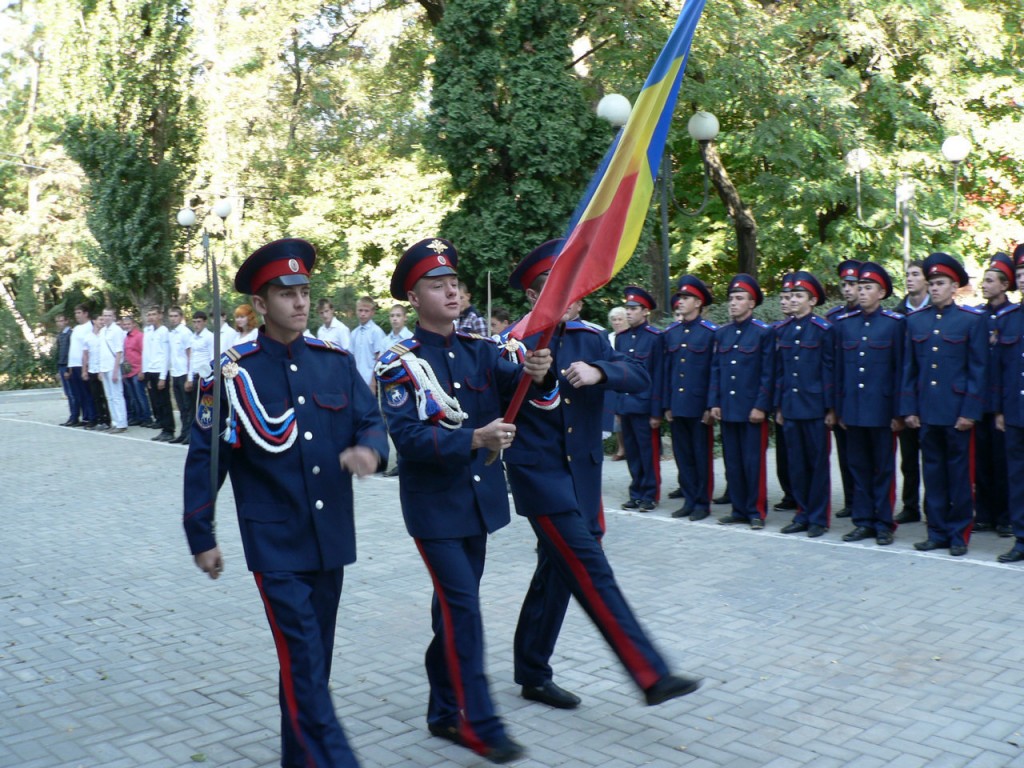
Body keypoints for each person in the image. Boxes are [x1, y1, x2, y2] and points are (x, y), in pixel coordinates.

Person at [184, 238, 387, 768]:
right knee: (303, 656)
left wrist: (370, 450)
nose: (299, 302)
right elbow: (206, 459)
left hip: (330, 539)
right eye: (285, 293)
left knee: (309, 665)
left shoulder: (335, 363)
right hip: (274, 540)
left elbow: (370, 419)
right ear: (260, 303)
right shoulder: (232, 374)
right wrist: (201, 536)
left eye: (304, 291)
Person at [502, 240, 703, 714]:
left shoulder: (592, 337)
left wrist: (598, 371)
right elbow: (504, 398)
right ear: (534, 298)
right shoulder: (514, 341)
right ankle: (650, 672)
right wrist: (539, 375)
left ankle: (531, 670)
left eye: (573, 285)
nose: (572, 294)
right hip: (541, 478)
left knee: (557, 572)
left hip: (583, 476)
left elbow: (638, 376)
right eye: (556, 288)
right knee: (590, 568)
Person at [374, 237, 547, 764]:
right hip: (435, 509)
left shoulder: (481, 351)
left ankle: (443, 711)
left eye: (453, 282)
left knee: (451, 612)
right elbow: (407, 440)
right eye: (436, 283)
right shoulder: (398, 362)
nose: (450, 289)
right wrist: (474, 438)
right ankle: (482, 723)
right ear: (412, 296)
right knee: (464, 611)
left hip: (479, 504)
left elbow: (524, 391)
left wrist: (538, 370)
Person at [900, 252, 987, 557]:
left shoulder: (970, 321)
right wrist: (909, 409)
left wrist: (969, 412)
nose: (934, 288)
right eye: (932, 283)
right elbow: (908, 370)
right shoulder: (915, 322)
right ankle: (936, 532)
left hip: (956, 413)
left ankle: (959, 534)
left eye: (941, 283)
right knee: (932, 475)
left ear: (954, 287)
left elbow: (978, 371)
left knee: (959, 476)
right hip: (927, 412)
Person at [833, 262, 904, 545]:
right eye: (859, 288)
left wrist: (899, 412)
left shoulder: (895, 325)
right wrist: (839, 409)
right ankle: (863, 521)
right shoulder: (845, 326)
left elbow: (901, 370)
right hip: (854, 410)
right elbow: (839, 372)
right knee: (859, 468)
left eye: (868, 288)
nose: (861, 293)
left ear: (882, 292)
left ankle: (884, 522)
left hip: (882, 411)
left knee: (883, 469)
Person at [710, 274, 774, 529]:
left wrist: (761, 405)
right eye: (731, 299)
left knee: (753, 463)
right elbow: (716, 370)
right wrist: (714, 402)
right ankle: (738, 508)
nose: (733, 303)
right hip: (728, 408)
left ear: (751, 303)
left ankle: (756, 511)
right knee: (733, 461)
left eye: (739, 299)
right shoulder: (722, 333)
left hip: (751, 410)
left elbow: (768, 373)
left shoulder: (762, 333)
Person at [774, 271, 834, 538]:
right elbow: (780, 372)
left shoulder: (823, 329)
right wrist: (778, 406)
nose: (794, 300)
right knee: (796, 465)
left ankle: (819, 518)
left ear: (812, 300)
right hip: (791, 406)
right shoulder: (783, 330)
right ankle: (803, 513)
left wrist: (831, 408)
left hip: (815, 408)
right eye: (792, 295)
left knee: (817, 465)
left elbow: (829, 371)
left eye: (800, 296)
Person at [662, 276, 717, 521]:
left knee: (700, 456)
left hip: (698, 406)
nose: (680, 302)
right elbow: (667, 372)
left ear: (698, 302)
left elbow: (714, 371)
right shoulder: (671, 333)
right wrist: (666, 404)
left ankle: (702, 503)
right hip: (678, 404)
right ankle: (689, 500)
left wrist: (710, 404)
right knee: (683, 455)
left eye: (685, 298)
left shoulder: (709, 333)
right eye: (680, 298)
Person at [973, 253, 1014, 536]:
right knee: (982, 462)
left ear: (1004, 285)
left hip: (1003, 402)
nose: (984, 285)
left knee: (1004, 463)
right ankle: (984, 514)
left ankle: (1005, 516)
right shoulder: (977, 316)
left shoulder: (1012, 316)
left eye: (990, 281)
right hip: (980, 400)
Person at [615, 287, 663, 511]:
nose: (629, 312)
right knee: (632, 453)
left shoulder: (655, 338)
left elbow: (657, 376)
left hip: (644, 406)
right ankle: (636, 492)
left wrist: (656, 411)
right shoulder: (622, 339)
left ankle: (650, 494)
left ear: (645, 311)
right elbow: (618, 372)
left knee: (648, 453)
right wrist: (617, 404)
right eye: (627, 308)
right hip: (626, 404)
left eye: (633, 309)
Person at [993, 243, 1024, 562]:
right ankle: (1021, 538)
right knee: (1017, 479)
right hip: (1015, 412)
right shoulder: (1008, 318)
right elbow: (998, 371)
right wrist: (1000, 409)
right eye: (1020, 273)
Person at [893, 259, 929, 524]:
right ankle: (910, 505)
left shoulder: (936, 312)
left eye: (915, 274)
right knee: (908, 459)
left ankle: (933, 507)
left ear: (927, 280)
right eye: (907, 275)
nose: (909, 279)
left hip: (930, 398)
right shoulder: (896, 314)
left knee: (932, 459)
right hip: (905, 397)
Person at [825, 260, 861, 519]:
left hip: (864, 399)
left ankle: (863, 501)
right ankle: (850, 500)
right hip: (842, 395)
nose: (847, 289)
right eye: (845, 285)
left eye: (853, 284)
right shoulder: (833, 318)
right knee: (846, 454)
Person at [143, 306, 175, 442]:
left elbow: (166, 355)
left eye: (154, 314)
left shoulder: (164, 331)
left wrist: (163, 377)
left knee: (164, 402)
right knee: (156, 402)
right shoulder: (148, 331)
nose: (151, 317)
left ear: (160, 316)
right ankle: (162, 427)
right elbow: (146, 353)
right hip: (151, 370)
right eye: (149, 314)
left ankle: (169, 430)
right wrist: (146, 374)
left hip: (160, 371)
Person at [97, 308, 129, 433]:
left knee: (117, 396)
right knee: (109, 396)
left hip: (113, 367)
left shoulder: (116, 331)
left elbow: (119, 351)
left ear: (114, 317)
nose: (106, 317)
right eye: (104, 315)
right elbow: (100, 352)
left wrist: (116, 370)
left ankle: (122, 422)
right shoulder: (102, 331)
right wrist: (100, 370)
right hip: (104, 367)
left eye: (109, 315)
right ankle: (114, 421)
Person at [67, 303, 97, 428]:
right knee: (78, 394)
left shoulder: (90, 327)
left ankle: (92, 417)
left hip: (82, 365)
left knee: (87, 393)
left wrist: (86, 367)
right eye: (75, 313)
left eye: (79, 313)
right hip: (73, 365)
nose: (77, 315)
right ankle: (84, 417)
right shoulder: (76, 328)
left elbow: (89, 348)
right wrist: (69, 368)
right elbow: (73, 348)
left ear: (86, 313)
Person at [167, 306, 194, 444]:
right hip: (175, 373)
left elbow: (190, 355)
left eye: (175, 316)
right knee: (181, 406)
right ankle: (183, 433)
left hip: (184, 373)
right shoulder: (171, 334)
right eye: (171, 316)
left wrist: (189, 378)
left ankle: (190, 434)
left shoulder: (185, 333)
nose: (173, 319)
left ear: (181, 317)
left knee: (188, 406)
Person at [119, 313, 151, 426]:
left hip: (138, 370)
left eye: (128, 324)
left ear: (133, 324)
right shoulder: (125, 337)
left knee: (140, 395)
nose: (127, 326)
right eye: (125, 324)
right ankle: (139, 417)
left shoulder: (139, 336)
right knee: (133, 397)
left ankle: (147, 418)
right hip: (128, 371)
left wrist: (142, 370)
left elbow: (144, 353)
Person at [351, 296, 387, 391]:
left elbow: (379, 359)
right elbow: (351, 357)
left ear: (372, 313)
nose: (363, 314)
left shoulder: (376, 332)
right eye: (360, 310)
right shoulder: (354, 333)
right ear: (356, 311)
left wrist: (373, 382)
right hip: (357, 380)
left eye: (366, 311)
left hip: (371, 382)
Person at [607, 306, 628, 461]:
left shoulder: (630, 337)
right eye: (614, 319)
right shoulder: (608, 338)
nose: (617, 322)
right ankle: (621, 447)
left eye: (620, 319)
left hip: (627, 378)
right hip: (613, 379)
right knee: (616, 416)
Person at [82, 316, 110, 430]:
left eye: (104, 320)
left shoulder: (104, 335)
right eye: (100, 320)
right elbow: (85, 355)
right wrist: (84, 370)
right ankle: (99, 419)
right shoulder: (88, 337)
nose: (102, 322)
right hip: (92, 370)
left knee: (106, 396)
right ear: (94, 321)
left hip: (103, 370)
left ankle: (108, 420)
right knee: (95, 397)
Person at [55, 313, 77, 426]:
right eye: (58, 321)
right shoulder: (60, 335)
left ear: (66, 321)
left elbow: (71, 353)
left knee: (72, 393)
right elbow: (59, 353)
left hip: (69, 366)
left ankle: (75, 416)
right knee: (68, 393)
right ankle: (72, 416)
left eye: (61, 321)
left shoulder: (70, 334)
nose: (59, 323)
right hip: (62, 365)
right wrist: (58, 369)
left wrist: (69, 369)